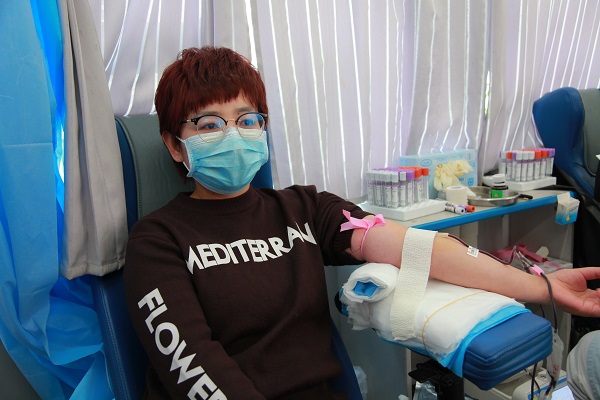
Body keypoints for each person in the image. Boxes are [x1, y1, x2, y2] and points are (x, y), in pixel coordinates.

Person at [123, 46, 600, 400]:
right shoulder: (158, 241)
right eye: (209, 124)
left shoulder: (303, 209)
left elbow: (420, 249)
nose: (234, 134)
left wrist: (542, 286)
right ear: (174, 145)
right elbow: (195, 369)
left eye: (247, 120)